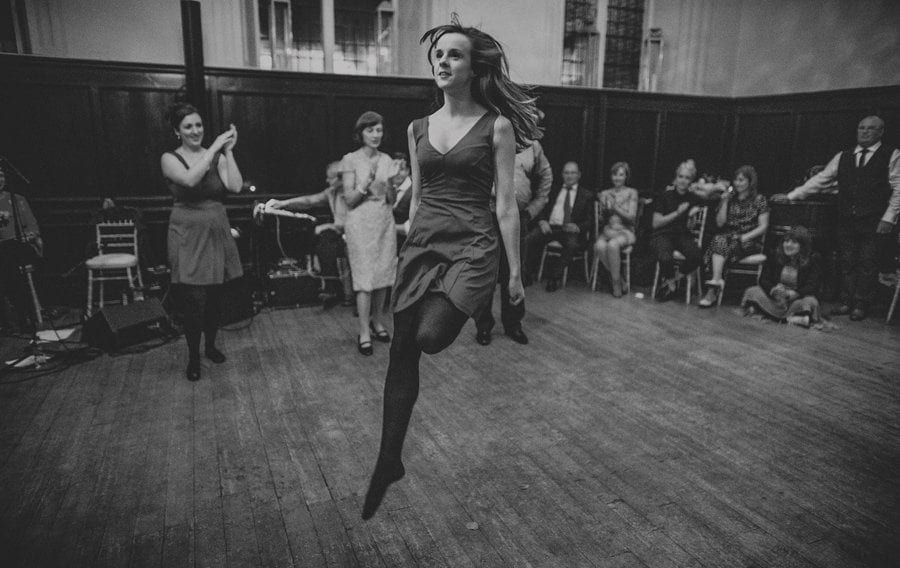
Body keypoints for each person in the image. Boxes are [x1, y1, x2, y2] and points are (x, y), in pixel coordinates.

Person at [362, 16, 539, 520]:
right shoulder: (418, 127)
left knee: (430, 336)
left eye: (454, 54)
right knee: (400, 348)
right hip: (424, 242)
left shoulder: (496, 126)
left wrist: (515, 274)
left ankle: (473, 299)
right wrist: (405, 245)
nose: (443, 61)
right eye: (438, 54)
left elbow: (505, 205)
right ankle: (388, 459)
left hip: (473, 244)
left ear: (471, 66)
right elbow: (417, 198)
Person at [782, 115, 900, 321]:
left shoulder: (891, 155)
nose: (864, 131)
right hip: (846, 218)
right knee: (847, 262)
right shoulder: (843, 156)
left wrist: (889, 218)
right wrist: (792, 195)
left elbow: (898, 188)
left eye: (871, 128)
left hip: (874, 219)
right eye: (861, 128)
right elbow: (821, 179)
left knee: (867, 262)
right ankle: (846, 301)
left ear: (881, 132)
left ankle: (861, 304)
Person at [160, 102, 243, 382]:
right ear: (177, 131)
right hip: (187, 233)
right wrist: (215, 146)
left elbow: (235, 186)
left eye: (198, 125)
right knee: (194, 299)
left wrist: (227, 152)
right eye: (188, 127)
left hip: (216, 229)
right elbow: (190, 179)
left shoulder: (216, 157)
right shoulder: (169, 158)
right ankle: (194, 356)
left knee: (215, 297)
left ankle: (210, 346)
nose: (195, 131)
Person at [474, 138, 552, 345]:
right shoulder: (487, 136)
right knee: (485, 272)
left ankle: (513, 324)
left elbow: (546, 176)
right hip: (487, 215)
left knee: (515, 271)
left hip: (519, 216)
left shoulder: (532, 145)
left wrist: (534, 209)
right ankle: (483, 326)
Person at [339, 111, 401, 356]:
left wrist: (393, 184)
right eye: (370, 130)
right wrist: (369, 180)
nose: (376, 135)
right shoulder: (349, 160)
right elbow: (350, 200)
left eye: (379, 130)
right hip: (360, 223)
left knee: (383, 276)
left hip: (384, 220)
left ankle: (377, 322)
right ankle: (364, 330)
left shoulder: (387, 159)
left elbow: (391, 199)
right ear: (360, 133)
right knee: (364, 278)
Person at [267, 161, 350, 304]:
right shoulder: (331, 192)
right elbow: (309, 201)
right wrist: (283, 203)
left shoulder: (353, 193)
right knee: (323, 243)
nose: (327, 180)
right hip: (341, 233)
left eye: (330, 177)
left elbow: (354, 221)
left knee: (326, 236)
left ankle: (342, 293)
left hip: (357, 234)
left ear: (341, 178)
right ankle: (332, 289)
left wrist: (329, 226)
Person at [699, 165, 770, 307]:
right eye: (736, 180)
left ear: (750, 182)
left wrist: (745, 237)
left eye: (741, 180)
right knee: (720, 239)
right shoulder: (731, 199)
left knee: (720, 243)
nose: (737, 183)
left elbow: (763, 226)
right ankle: (716, 281)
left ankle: (713, 289)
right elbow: (720, 223)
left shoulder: (760, 200)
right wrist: (724, 202)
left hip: (749, 239)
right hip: (729, 237)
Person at [649, 160, 715, 301]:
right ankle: (672, 284)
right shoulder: (665, 196)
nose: (683, 181)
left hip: (681, 234)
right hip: (663, 234)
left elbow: (714, 197)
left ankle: (671, 281)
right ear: (675, 178)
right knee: (665, 258)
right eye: (681, 177)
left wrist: (696, 206)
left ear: (691, 181)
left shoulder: (692, 197)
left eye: (687, 178)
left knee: (696, 256)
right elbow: (656, 223)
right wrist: (678, 213)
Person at [525, 161, 594, 292]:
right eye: (566, 173)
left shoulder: (586, 195)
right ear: (562, 175)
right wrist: (542, 221)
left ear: (579, 175)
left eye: (573, 173)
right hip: (550, 227)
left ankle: (554, 277)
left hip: (569, 230)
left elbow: (590, 221)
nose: (569, 176)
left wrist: (578, 227)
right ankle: (526, 274)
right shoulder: (553, 190)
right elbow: (540, 207)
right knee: (529, 239)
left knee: (572, 245)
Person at [741, 226, 823, 328]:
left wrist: (795, 293)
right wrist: (773, 289)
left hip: (796, 299)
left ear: (802, 246)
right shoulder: (775, 256)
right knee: (752, 291)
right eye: (786, 241)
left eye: (794, 242)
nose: (788, 245)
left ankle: (771, 314)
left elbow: (813, 285)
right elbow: (764, 279)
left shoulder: (812, 260)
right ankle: (793, 318)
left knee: (810, 301)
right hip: (776, 298)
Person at [0, 165, 43, 332]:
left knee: (9, 258)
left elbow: (33, 226)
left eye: (2, 175)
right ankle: (21, 316)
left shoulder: (17, 200)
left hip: (18, 247)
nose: (0, 179)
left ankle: (19, 317)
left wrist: (28, 236)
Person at [594, 162, 639, 297]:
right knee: (599, 246)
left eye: (621, 175)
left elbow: (631, 218)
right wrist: (603, 209)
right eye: (615, 174)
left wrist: (615, 208)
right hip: (609, 230)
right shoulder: (605, 193)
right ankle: (620, 279)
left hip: (625, 231)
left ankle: (615, 283)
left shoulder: (632, 192)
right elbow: (602, 220)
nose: (617, 178)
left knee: (613, 245)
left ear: (626, 176)